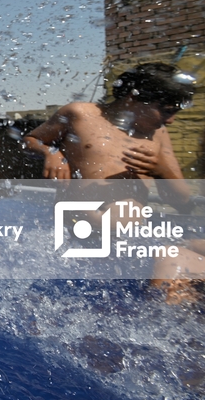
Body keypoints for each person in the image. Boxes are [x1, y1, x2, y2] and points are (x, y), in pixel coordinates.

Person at [24, 62, 205, 300]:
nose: (170, 120)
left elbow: (181, 199)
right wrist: (51, 153)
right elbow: (31, 140)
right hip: (79, 236)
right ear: (134, 97)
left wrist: (162, 171)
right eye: (166, 110)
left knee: (188, 253)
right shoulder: (80, 114)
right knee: (172, 260)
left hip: (133, 238)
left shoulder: (158, 134)